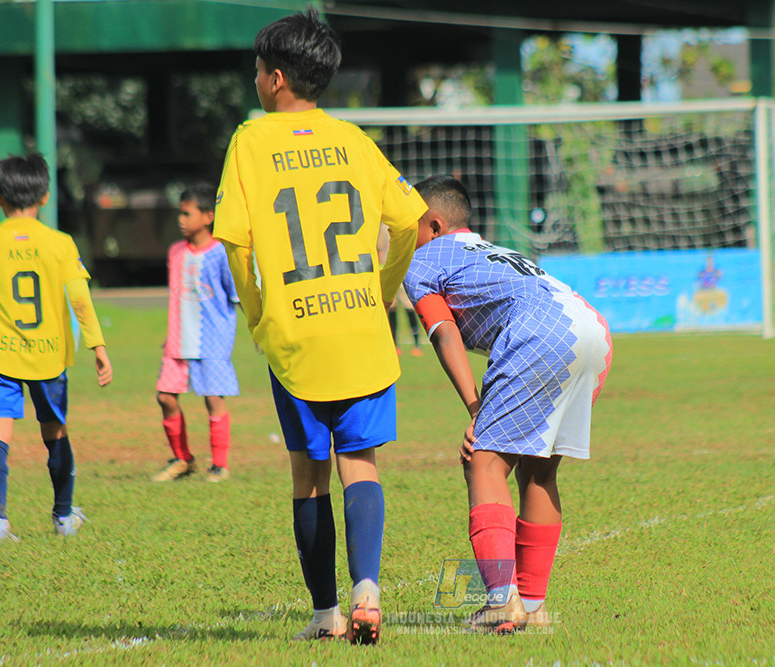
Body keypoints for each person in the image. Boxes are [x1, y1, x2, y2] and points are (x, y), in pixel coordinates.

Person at [212, 8, 425, 645]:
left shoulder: (250, 141)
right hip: (360, 329)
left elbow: (237, 244)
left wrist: (258, 313)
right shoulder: (354, 139)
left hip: (295, 334)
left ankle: (326, 615)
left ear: (276, 79)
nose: (256, 80)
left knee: (309, 476)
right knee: (361, 465)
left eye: (258, 70)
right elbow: (409, 221)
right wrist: (379, 292)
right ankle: (368, 590)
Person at [403, 175, 612, 634]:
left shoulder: (421, 259)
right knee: (539, 470)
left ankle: (501, 601)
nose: (402, 233)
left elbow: (443, 332)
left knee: (483, 463)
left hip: (540, 334)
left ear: (433, 225)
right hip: (593, 330)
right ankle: (533, 607)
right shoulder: (491, 251)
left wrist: (475, 407)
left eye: (407, 224)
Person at [0, 153, 113, 541]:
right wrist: (98, 346)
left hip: (1, 355)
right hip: (49, 355)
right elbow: (80, 299)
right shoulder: (60, 243)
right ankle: (64, 516)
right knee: (54, 430)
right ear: (45, 196)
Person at [152, 184, 240, 483]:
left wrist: (256, 328)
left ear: (208, 216)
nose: (181, 219)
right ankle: (182, 459)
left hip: (212, 340)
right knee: (165, 397)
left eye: (187, 214)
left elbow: (236, 295)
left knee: (213, 398)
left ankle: (219, 465)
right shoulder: (176, 252)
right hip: (178, 341)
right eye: (180, 213)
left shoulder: (221, 253)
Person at [377, 224, 423, 357]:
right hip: (390, 269)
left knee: (408, 307)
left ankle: (416, 344)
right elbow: (380, 248)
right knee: (393, 307)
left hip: (400, 270)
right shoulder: (385, 226)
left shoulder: (396, 224)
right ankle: (396, 345)